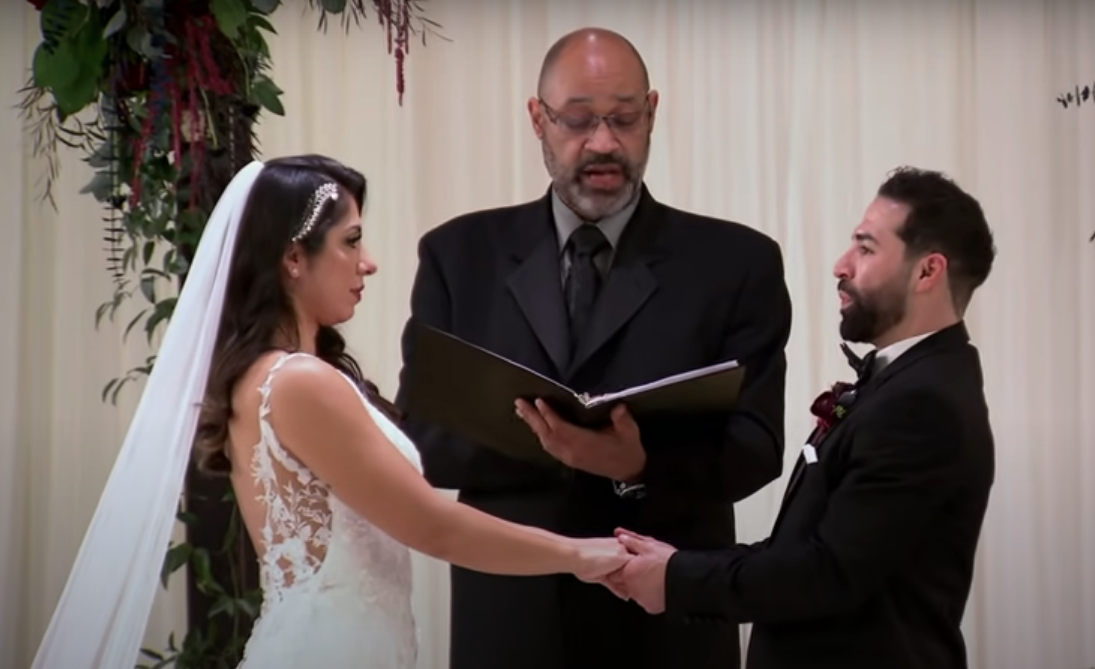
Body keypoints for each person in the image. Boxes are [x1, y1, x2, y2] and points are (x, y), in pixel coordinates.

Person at [29, 155, 630, 669]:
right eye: (351, 241)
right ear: (294, 258)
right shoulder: (298, 382)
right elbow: (431, 526)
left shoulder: (270, 377)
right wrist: (580, 555)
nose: (368, 262)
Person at [394, 28, 792, 669]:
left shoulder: (736, 263)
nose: (603, 143)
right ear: (537, 119)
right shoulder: (458, 255)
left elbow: (756, 450)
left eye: (624, 119)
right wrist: (566, 446)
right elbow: (424, 444)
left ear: (653, 113)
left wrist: (638, 466)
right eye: (578, 119)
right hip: (508, 620)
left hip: (665, 628)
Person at [611, 167, 997, 669]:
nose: (841, 264)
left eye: (865, 248)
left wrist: (676, 577)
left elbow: (829, 573)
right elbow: (807, 550)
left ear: (928, 272)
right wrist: (675, 565)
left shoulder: (922, 404)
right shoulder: (908, 384)